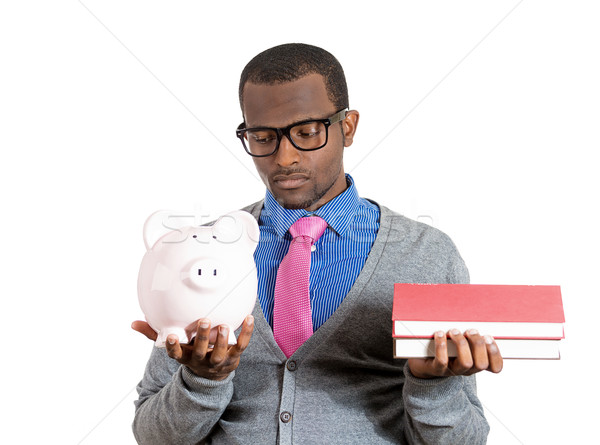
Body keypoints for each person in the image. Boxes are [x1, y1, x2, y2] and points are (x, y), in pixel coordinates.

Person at [132, 43, 503, 444]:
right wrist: (202, 381)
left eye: (306, 132)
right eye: (262, 137)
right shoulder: (202, 251)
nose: (284, 157)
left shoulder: (425, 255)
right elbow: (153, 436)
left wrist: (433, 387)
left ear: (348, 127)